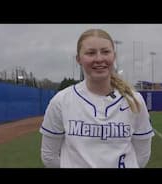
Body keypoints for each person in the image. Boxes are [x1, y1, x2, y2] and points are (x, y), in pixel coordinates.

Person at [40, 28, 154, 168]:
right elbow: (49, 155)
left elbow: (142, 155)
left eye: (105, 52)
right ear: (78, 59)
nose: (99, 59)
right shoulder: (62, 101)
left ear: (114, 56)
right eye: (90, 53)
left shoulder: (134, 100)